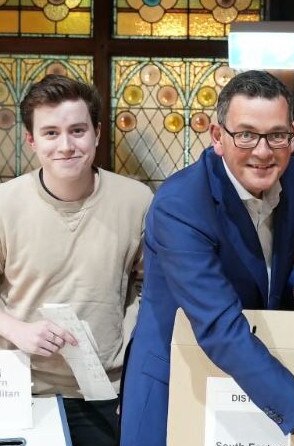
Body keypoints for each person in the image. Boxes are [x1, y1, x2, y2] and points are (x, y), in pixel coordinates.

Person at [119, 70, 294, 446]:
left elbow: (259, 260)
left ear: (293, 135)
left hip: (252, 379)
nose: (263, 152)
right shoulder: (180, 205)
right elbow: (218, 327)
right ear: (218, 137)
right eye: (245, 134)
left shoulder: (292, 175)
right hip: (175, 381)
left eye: (276, 135)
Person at [0, 75, 153, 446]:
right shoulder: (5, 203)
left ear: (97, 133)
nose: (66, 145)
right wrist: (16, 329)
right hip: (20, 389)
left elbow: (155, 291)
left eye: (77, 130)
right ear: (31, 140)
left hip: (108, 391)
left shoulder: (137, 200)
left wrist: (139, 374)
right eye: (50, 133)